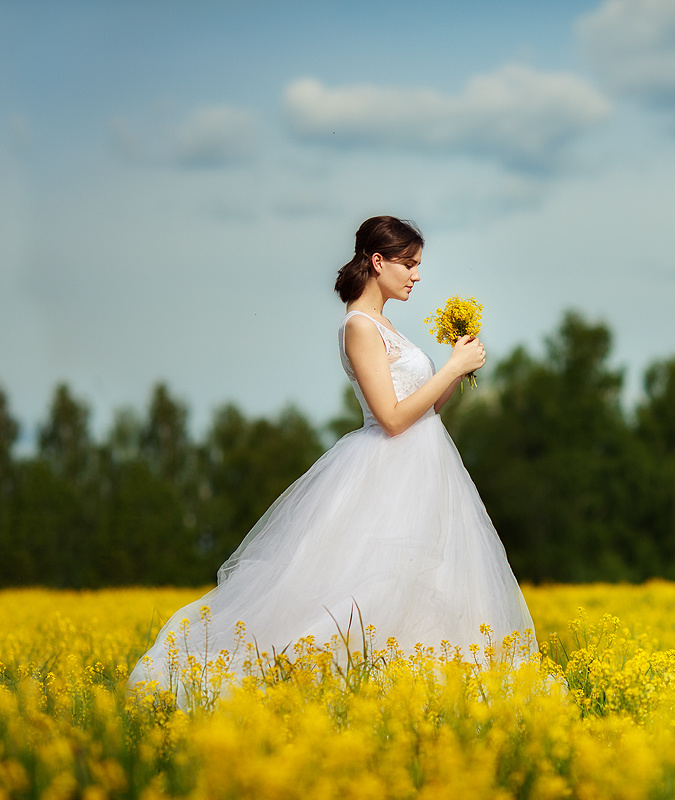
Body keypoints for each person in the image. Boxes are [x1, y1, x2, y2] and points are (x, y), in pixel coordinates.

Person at [129, 216, 536, 703]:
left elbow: (425, 410)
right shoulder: (358, 327)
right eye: (408, 264)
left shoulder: (387, 325)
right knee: (370, 588)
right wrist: (450, 367)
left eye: (418, 265)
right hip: (389, 470)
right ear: (377, 260)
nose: (417, 275)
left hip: (427, 470)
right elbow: (390, 417)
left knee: (428, 589)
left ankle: (414, 695)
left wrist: (454, 368)